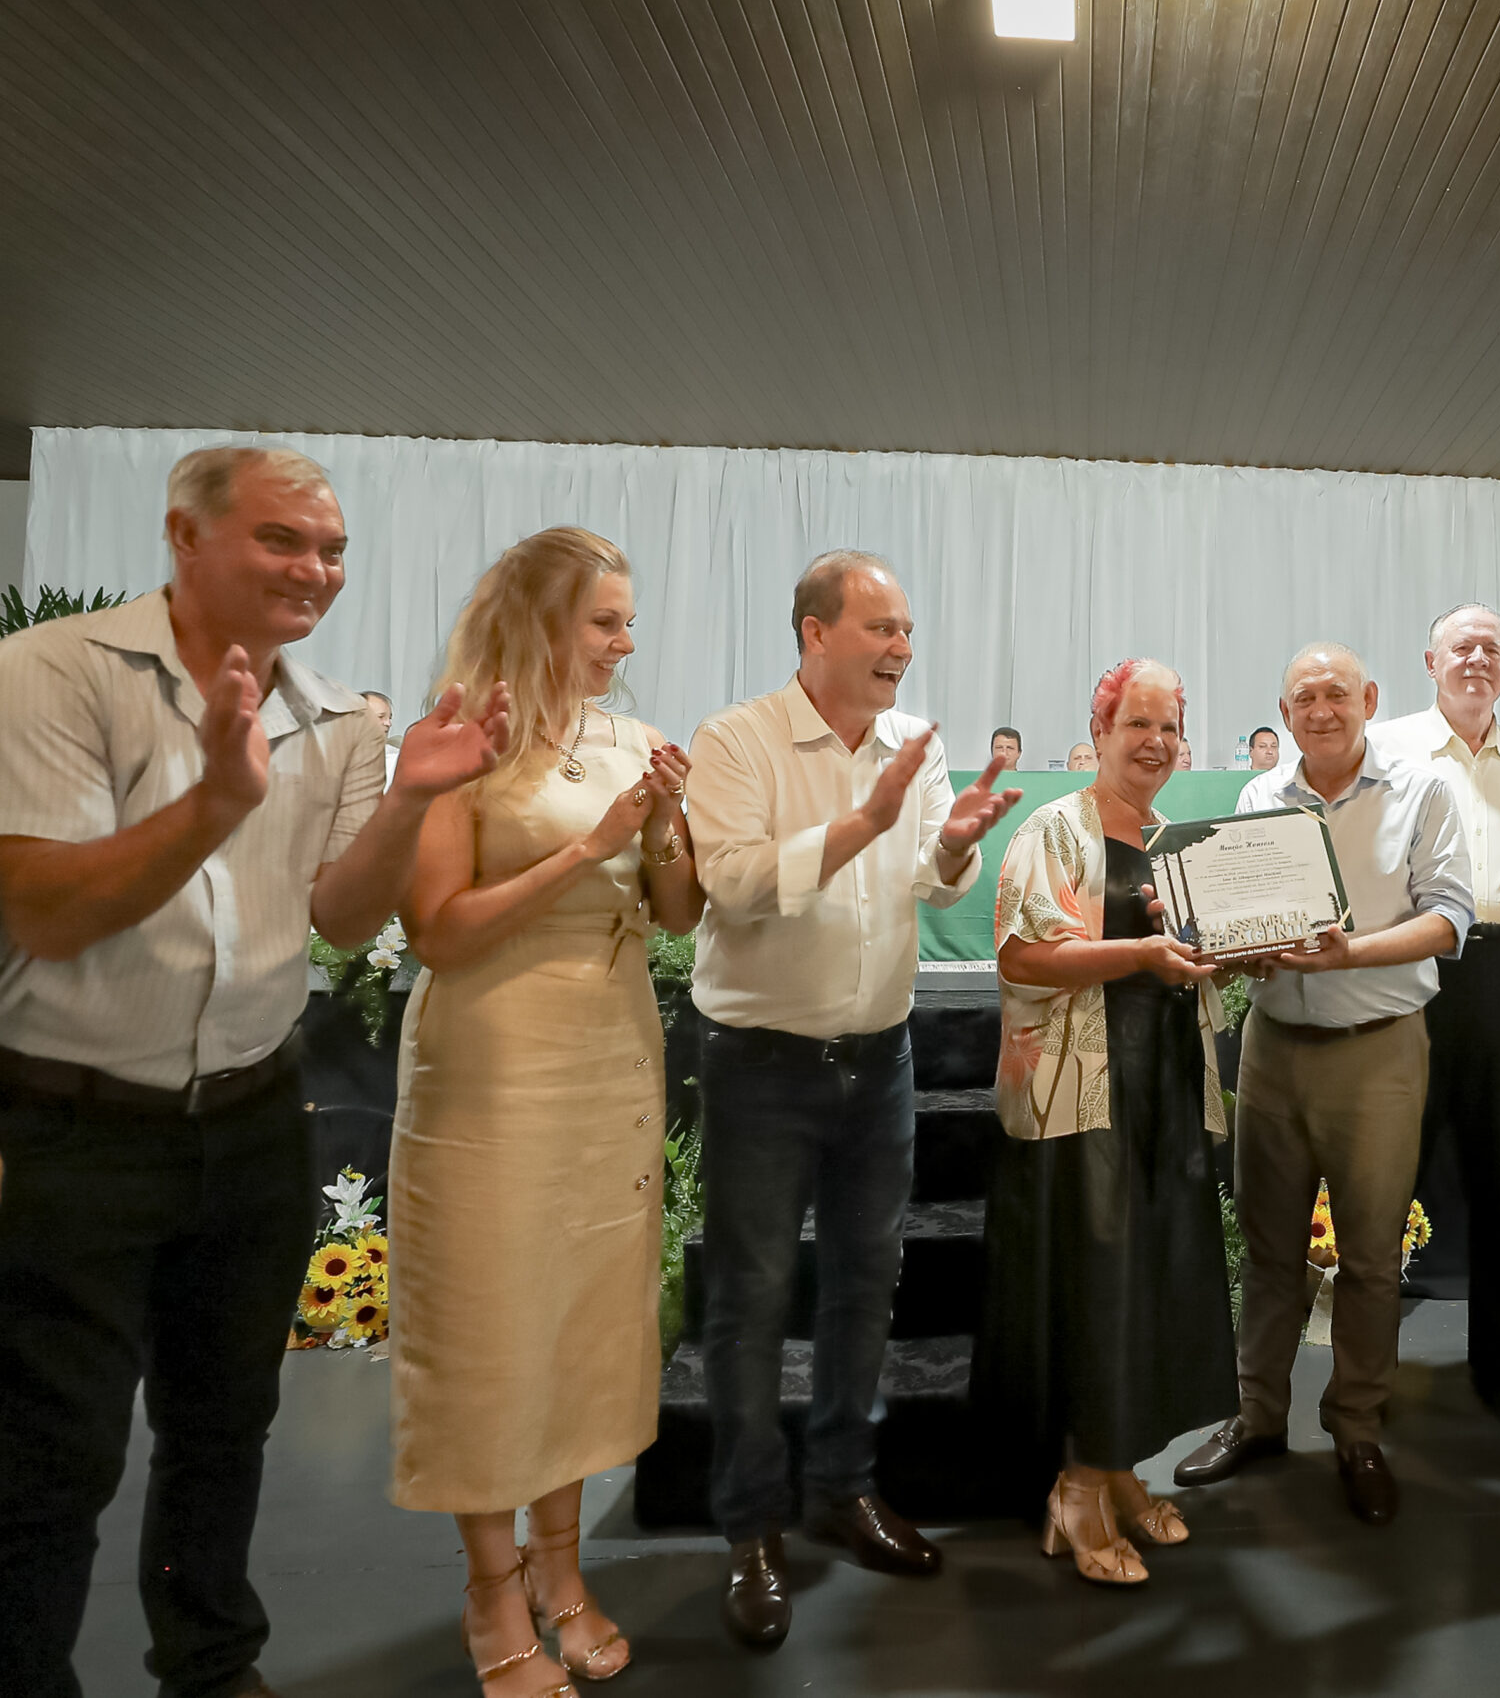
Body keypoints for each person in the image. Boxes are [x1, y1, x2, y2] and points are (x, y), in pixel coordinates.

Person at [0, 445, 510, 1698]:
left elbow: (340, 919)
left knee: (223, 1429)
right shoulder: (44, 677)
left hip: (252, 1117)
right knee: (53, 1465)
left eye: (332, 550)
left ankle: (211, 1667)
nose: (315, 569)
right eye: (281, 539)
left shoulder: (340, 718)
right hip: (66, 1127)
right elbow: (43, 912)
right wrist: (213, 803)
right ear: (185, 536)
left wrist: (411, 801)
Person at [684, 551, 1018, 1648]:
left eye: (907, 629)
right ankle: (751, 1525)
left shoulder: (912, 742)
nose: (902, 648)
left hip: (880, 1062)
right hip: (761, 1064)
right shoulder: (737, 741)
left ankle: (842, 1484)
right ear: (814, 633)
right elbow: (733, 883)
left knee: (865, 1286)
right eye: (880, 627)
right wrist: (865, 824)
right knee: (751, 1302)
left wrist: (952, 846)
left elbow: (928, 875)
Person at [391, 527, 704, 1693]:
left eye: (629, 622)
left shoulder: (630, 738)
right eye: (604, 622)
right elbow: (437, 931)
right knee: (491, 1325)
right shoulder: (461, 733)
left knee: (580, 1320)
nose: (626, 643)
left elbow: (678, 913)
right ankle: (491, 1592)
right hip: (493, 1067)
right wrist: (590, 850)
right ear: (539, 619)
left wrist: (662, 825)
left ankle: (560, 1570)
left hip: (609, 1056)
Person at [1173, 642, 1471, 1526]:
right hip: (1274, 1045)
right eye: (1303, 697)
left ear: (1369, 698)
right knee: (1269, 1248)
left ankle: (1356, 1428)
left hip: (1380, 1049)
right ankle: (1257, 1414)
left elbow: (1451, 918)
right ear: (1285, 711)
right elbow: (1238, 919)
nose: (1321, 710)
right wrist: (1226, 942)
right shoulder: (1259, 797)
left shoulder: (1422, 788)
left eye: (1336, 693)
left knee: (1371, 1256)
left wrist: (1351, 952)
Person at [977, 659, 1235, 1586]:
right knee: (1099, 1283)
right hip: (1083, 1099)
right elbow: (1021, 955)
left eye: (1169, 726)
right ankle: (1078, 1489)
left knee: (1152, 1279)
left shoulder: (1175, 841)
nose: (1155, 742)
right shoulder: (1055, 827)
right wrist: (1142, 954)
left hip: (1165, 1090)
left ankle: (1119, 1464)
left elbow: (1193, 956)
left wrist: (1228, 949)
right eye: (1137, 724)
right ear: (1098, 732)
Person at [1373, 605, 1500, 1435]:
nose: (1477, 659)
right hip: (1413, 971)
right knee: (1385, 1177)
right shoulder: (1387, 750)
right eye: (1462, 646)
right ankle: (1364, 1371)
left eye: (1493, 649)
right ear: (1431, 661)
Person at [364, 689, 399, 781]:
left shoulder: (397, 759)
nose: (389, 723)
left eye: (390, 718)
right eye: (380, 717)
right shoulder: (336, 757)